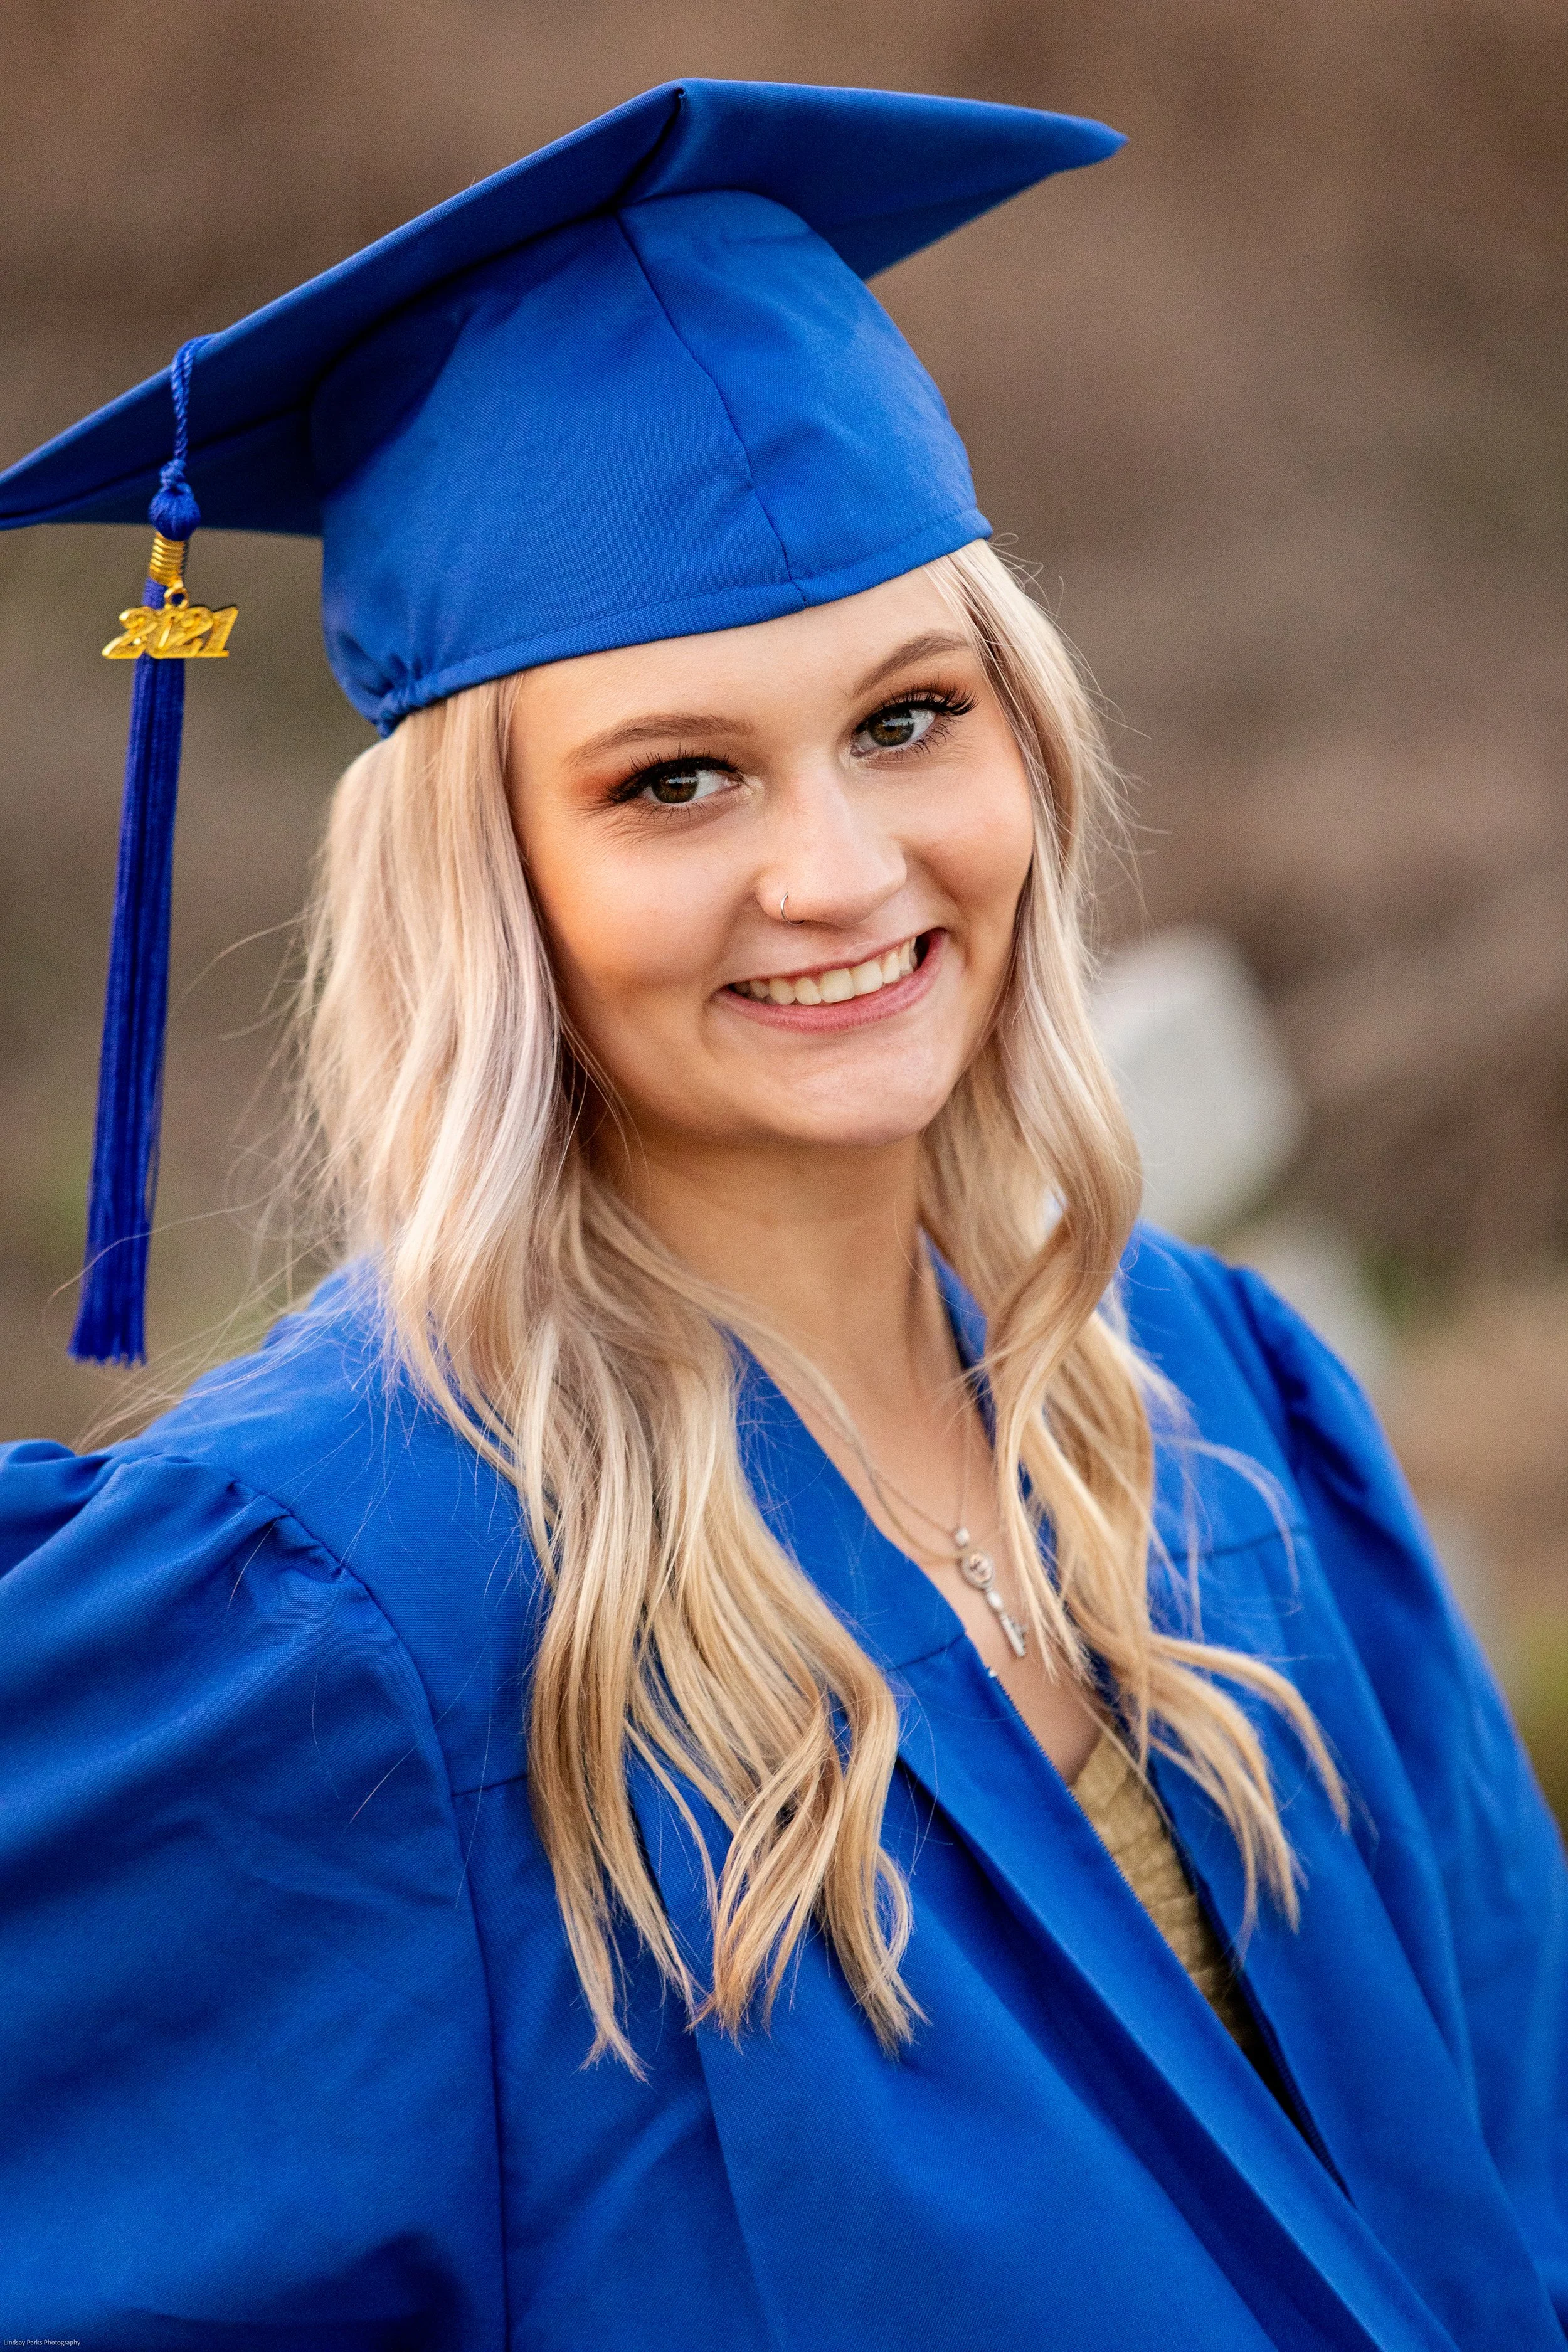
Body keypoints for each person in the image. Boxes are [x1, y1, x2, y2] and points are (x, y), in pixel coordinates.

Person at [0, 78, 1563, 2352]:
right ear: (486, 879)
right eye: (675, 779)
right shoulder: (345, 1621)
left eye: (910, 719)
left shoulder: (1208, 1394)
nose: (836, 870)